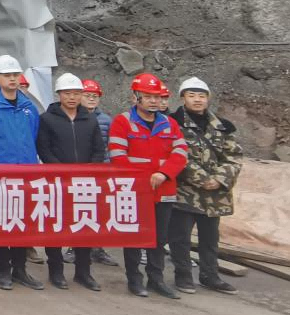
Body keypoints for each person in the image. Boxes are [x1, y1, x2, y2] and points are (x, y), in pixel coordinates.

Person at [108, 73, 189, 299]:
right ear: (136, 97)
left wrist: (164, 173)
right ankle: (134, 279)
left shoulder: (169, 123)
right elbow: (118, 156)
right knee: (133, 237)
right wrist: (142, 179)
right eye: (148, 96)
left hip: (163, 190)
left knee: (159, 238)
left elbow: (181, 152)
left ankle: (156, 279)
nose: (154, 101)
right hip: (135, 191)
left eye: (157, 97)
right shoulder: (123, 122)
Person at [0, 55, 44, 290]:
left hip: (26, 176)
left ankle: (20, 270)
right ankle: (4, 270)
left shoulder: (28, 107)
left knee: (22, 224)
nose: (12, 79)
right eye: (7, 75)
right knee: (1, 224)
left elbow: (33, 137)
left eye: (15, 75)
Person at [169, 77, 242, 295]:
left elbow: (234, 156)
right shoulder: (172, 123)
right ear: (183, 98)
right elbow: (175, 155)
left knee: (210, 238)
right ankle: (183, 276)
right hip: (185, 192)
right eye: (191, 95)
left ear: (208, 98)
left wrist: (219, 179)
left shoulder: (222, 126)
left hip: (214, 195)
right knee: (180, 238)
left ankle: (210, 275)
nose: (197, 100)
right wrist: (202, 178)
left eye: (201, 96)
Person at [35, 73, 106, 291]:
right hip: (56, 182)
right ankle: (56, 271)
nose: (72, 97)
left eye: (76, 93)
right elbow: (44, 148)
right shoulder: (47, 119)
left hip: (84, 183)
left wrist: (90, 170)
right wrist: (61, 171)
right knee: (55, 226)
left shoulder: (89, 119)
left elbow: (98, 149)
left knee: (83, 225)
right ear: (59, 94)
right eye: (67, 93)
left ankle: (83, 272)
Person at [77, 78, 119, 269]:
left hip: (101, 173)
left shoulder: (106, 120)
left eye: (95, 96)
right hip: (79, 173)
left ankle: (98, 248)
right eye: (87, 95)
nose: (91, 99)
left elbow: (110, 147)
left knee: (100, 212)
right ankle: (74, 247)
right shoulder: (74, 118)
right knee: (78, 209)